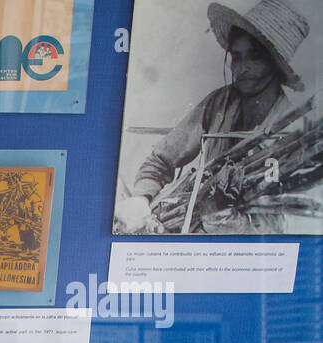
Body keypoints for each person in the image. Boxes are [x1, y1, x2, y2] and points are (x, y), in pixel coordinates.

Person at [117, 0, 315, 234]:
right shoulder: (220, 103)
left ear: (276, 65)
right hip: (184, 224)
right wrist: (141, 198)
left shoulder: (290, 133)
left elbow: (274, 226)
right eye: (237, 57)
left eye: (255, 57)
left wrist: (219, 215)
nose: (242, 68)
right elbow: (161, 159)